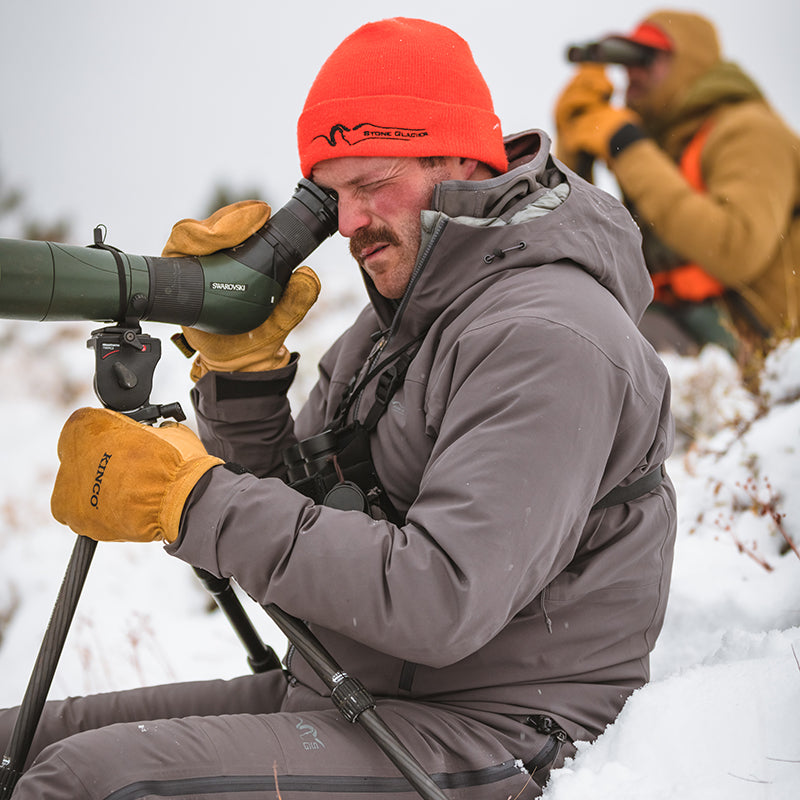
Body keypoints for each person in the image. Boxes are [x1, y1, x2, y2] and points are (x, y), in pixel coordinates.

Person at [0, 17, 676, 800]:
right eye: (331, 196)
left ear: (461, 161)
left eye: (371, 184)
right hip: (360, 690)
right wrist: (243, 382)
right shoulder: (398, 325)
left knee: (87, 782)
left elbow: (438, 599)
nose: (349, 223)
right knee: (18, 737)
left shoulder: (550, 338)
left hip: (499, 724)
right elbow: (302, 529)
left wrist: (188, 500)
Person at [555, 9, 800, 358]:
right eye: (628, 60)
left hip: (769, 352)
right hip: (687, 329)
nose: (632, 72)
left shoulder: (752, 130)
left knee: (598, 346)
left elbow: (735, 250)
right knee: (565, 323)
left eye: (648, 58)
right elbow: (586, 251)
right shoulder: (664, 147)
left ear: (690, 64)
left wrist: (628, 146)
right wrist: (573, 144)